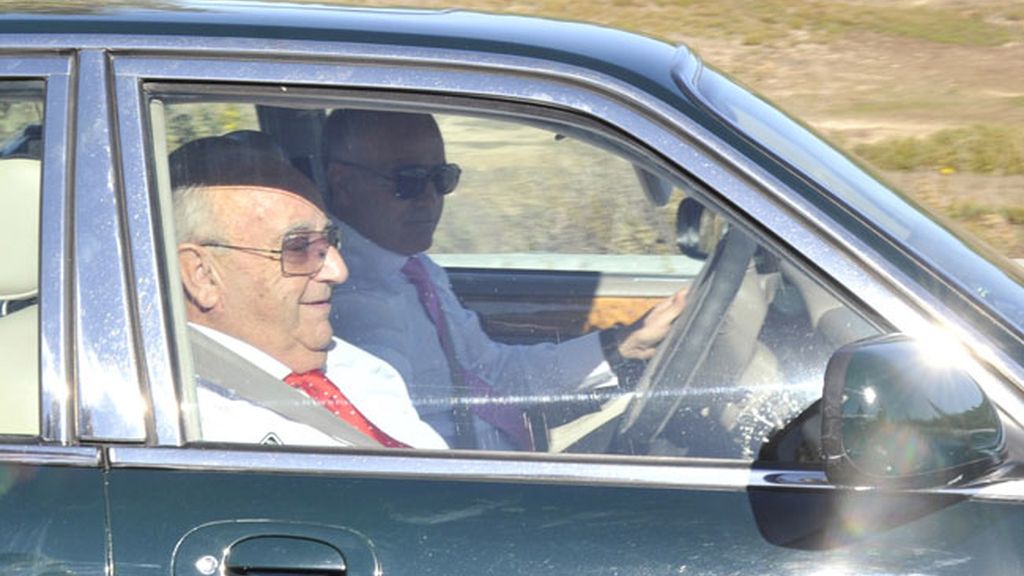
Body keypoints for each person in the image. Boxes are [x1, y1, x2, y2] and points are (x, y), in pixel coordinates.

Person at [324, 109, 687, 451]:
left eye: (442, 178)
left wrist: (622, 346)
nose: (430, 199)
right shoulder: (348, 302)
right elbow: (392, 448)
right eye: (409, 182)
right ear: (344, 185)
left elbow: (492, 373)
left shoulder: (413, 267)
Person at [170, 134, 446, 449]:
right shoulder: (191, 424)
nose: (338, 271)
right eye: (299, 247)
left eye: (330, 241)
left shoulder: (359, 368)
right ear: (202, 275)